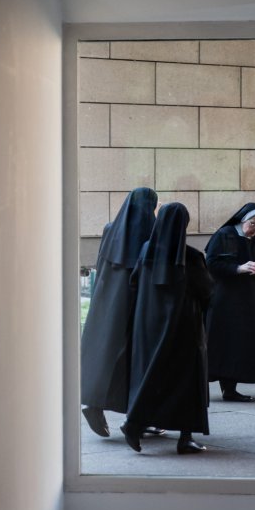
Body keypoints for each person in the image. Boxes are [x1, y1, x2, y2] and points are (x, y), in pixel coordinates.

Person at [121, 202, 215, 454]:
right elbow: (207, 291)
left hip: (148, 327)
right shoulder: (192, 257)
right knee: (188, 381)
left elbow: (133, 284)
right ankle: (185, 438)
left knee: (153, 375)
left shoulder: (145, 251)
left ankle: (136, 422)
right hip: (184, 329)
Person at [80, 187, 159, 438]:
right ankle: (138, 416)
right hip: (136, 307)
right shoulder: (151, 232)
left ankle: (97, 406)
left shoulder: (110, 229)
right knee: (137, 361)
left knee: (107, 360)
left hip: (106, 307)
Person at [204, 203, 255, 402]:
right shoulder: (225, 234)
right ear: (243, 220)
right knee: (224, 342)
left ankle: (231, 388)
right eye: (253, 224)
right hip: (224, 299)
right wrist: (238, 268)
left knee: (240, 344)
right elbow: (211, 263)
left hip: (247, 300)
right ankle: (217, 386)